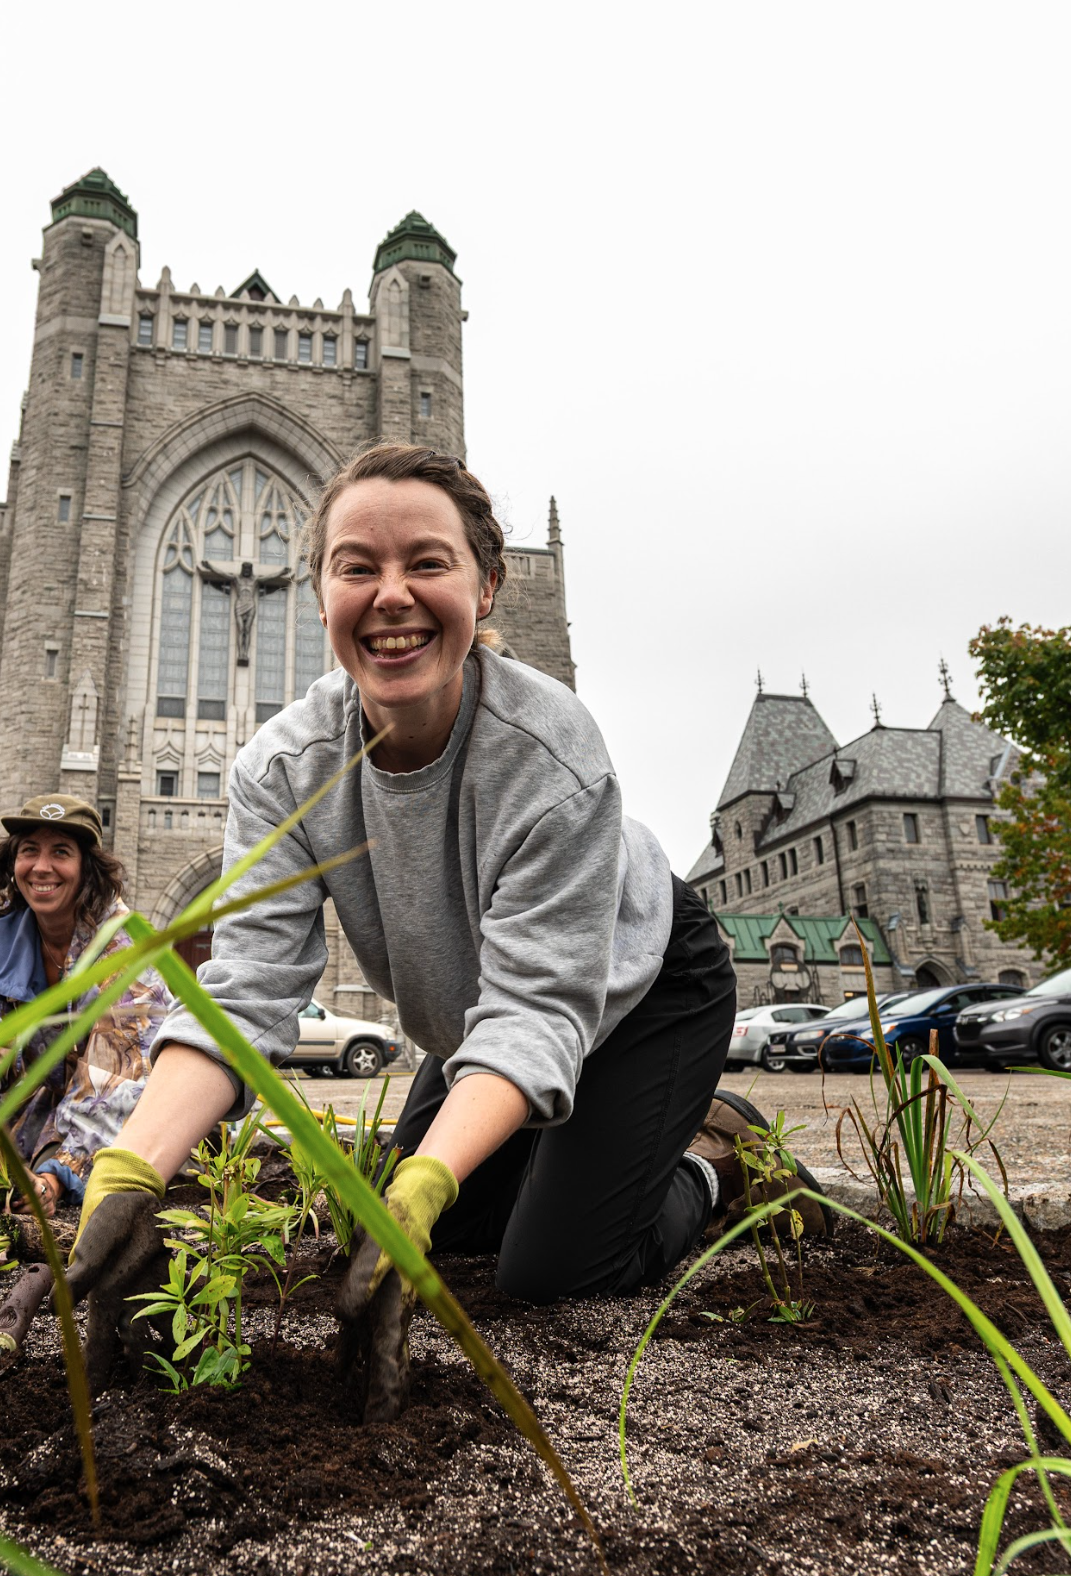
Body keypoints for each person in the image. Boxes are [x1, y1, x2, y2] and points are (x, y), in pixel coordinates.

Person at [63, 444, 811, 1413]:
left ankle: (713, 1154)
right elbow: (244, 995)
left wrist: (421, 1185)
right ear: (318, 588)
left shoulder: (554, 753)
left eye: (427, 562)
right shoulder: (281, 772)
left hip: (647, 983)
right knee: (446, 1234)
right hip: (485, 1012)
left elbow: (539, 1008)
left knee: (550, 1264)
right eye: (357, 566)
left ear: (486, 585)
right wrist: (132, 1167)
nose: (391, 596)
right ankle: (586, 1150)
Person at [0, 795, 176, 1224]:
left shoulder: (123, 945)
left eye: (61, 852)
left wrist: (50, 1180)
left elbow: (116, 1076)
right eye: (29, 850)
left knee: (115, 1163)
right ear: (12, 862)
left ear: (87, 868)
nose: (41, 867)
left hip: (139, 1102)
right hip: (54, 1101)